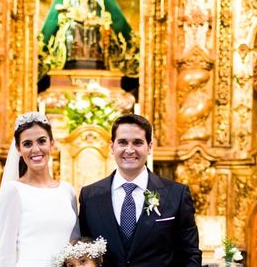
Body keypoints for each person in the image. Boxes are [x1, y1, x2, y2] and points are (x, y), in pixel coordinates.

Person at [78, 114, 201, 267]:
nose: (129, 150)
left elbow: (190, 253)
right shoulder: (90, 196)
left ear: (149, 147)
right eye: (122, 142)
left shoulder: (176, 194)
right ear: (112, 147)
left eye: (137, 143)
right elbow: (83, 253)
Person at [0, 112, 79, 267]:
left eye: (41, 141)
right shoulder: (14, 191)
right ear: (18, 149)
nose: (35, 149)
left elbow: (75, 243)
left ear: (52, 143)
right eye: (27, 144)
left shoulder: (67, 191)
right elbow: (5, 251)